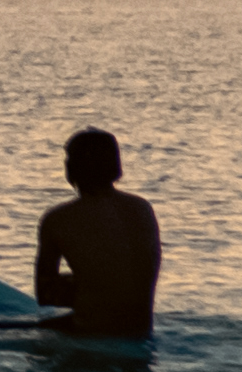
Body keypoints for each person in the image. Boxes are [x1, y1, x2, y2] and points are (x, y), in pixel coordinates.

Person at [33, 126, 161, 342]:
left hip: (91, 334)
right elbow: (131, 277)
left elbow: (44, 294)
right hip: (141, 332)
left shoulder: (58, 219)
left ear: (71, 168)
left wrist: (88, 285)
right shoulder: (142, 208)